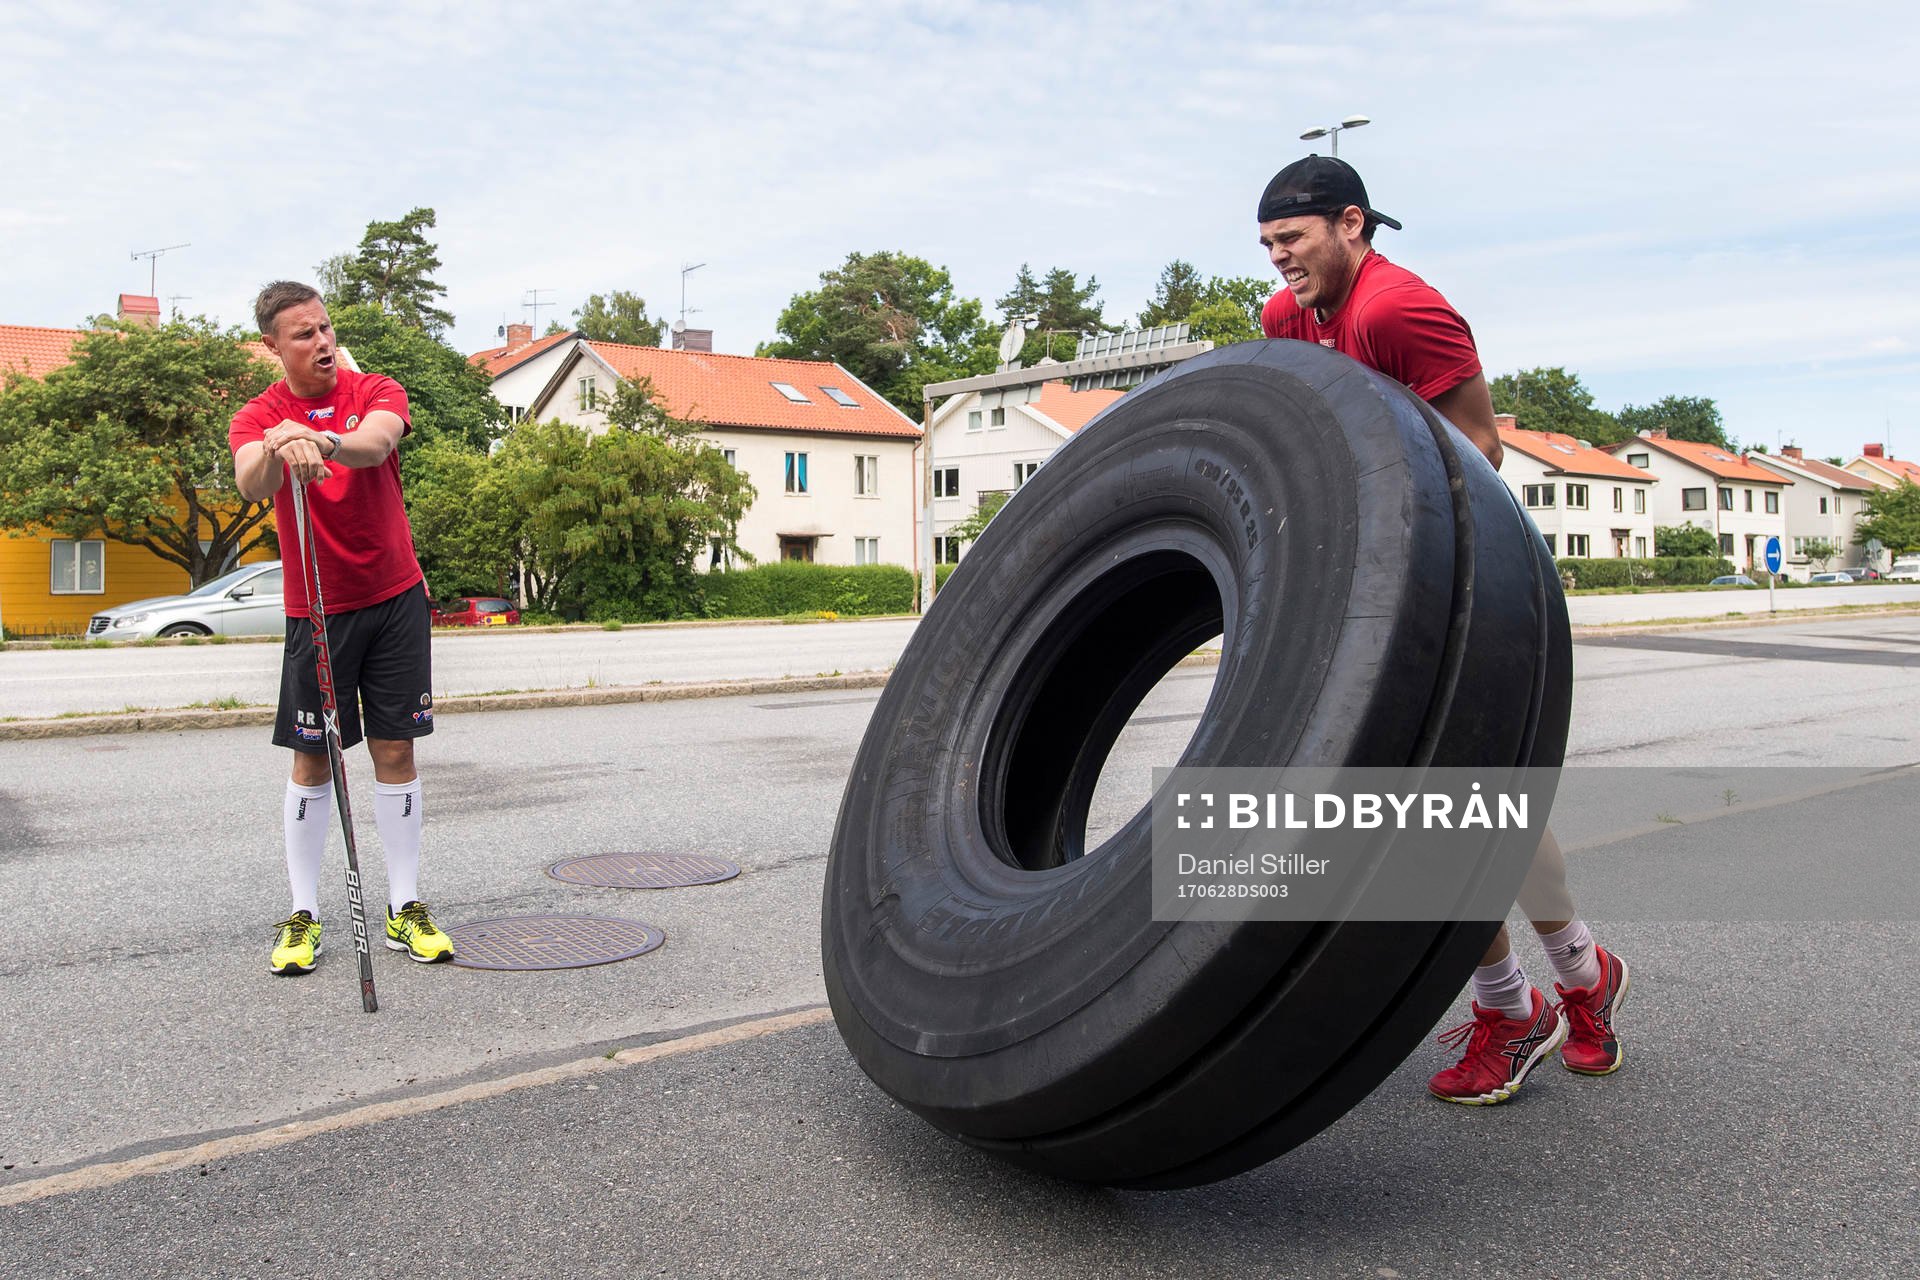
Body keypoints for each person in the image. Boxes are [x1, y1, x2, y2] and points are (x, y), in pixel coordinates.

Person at [1256, 156, 1628, 1104]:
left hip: (1462, 579)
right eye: (1267, 246)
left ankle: (1515, 1010)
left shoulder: (1400, 310)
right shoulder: (1283, 320)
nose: (1280, 262)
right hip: (1362, 584)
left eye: (1292, 240)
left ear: (1352, 224)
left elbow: (1486, 452)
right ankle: (1579, 983)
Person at [230, 281, 454, 974]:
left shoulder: (375, 389)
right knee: (313, 757)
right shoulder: (258, 414)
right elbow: (249, 482)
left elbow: (372, 445)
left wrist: (320, 437)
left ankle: (405, 907)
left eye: (325, 329)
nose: (322, 342)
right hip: (317, 609)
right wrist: (279, 444)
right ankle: (304, 914)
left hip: (392, 597)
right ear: (274, 346)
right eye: (303, 334)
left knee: (395, 752)